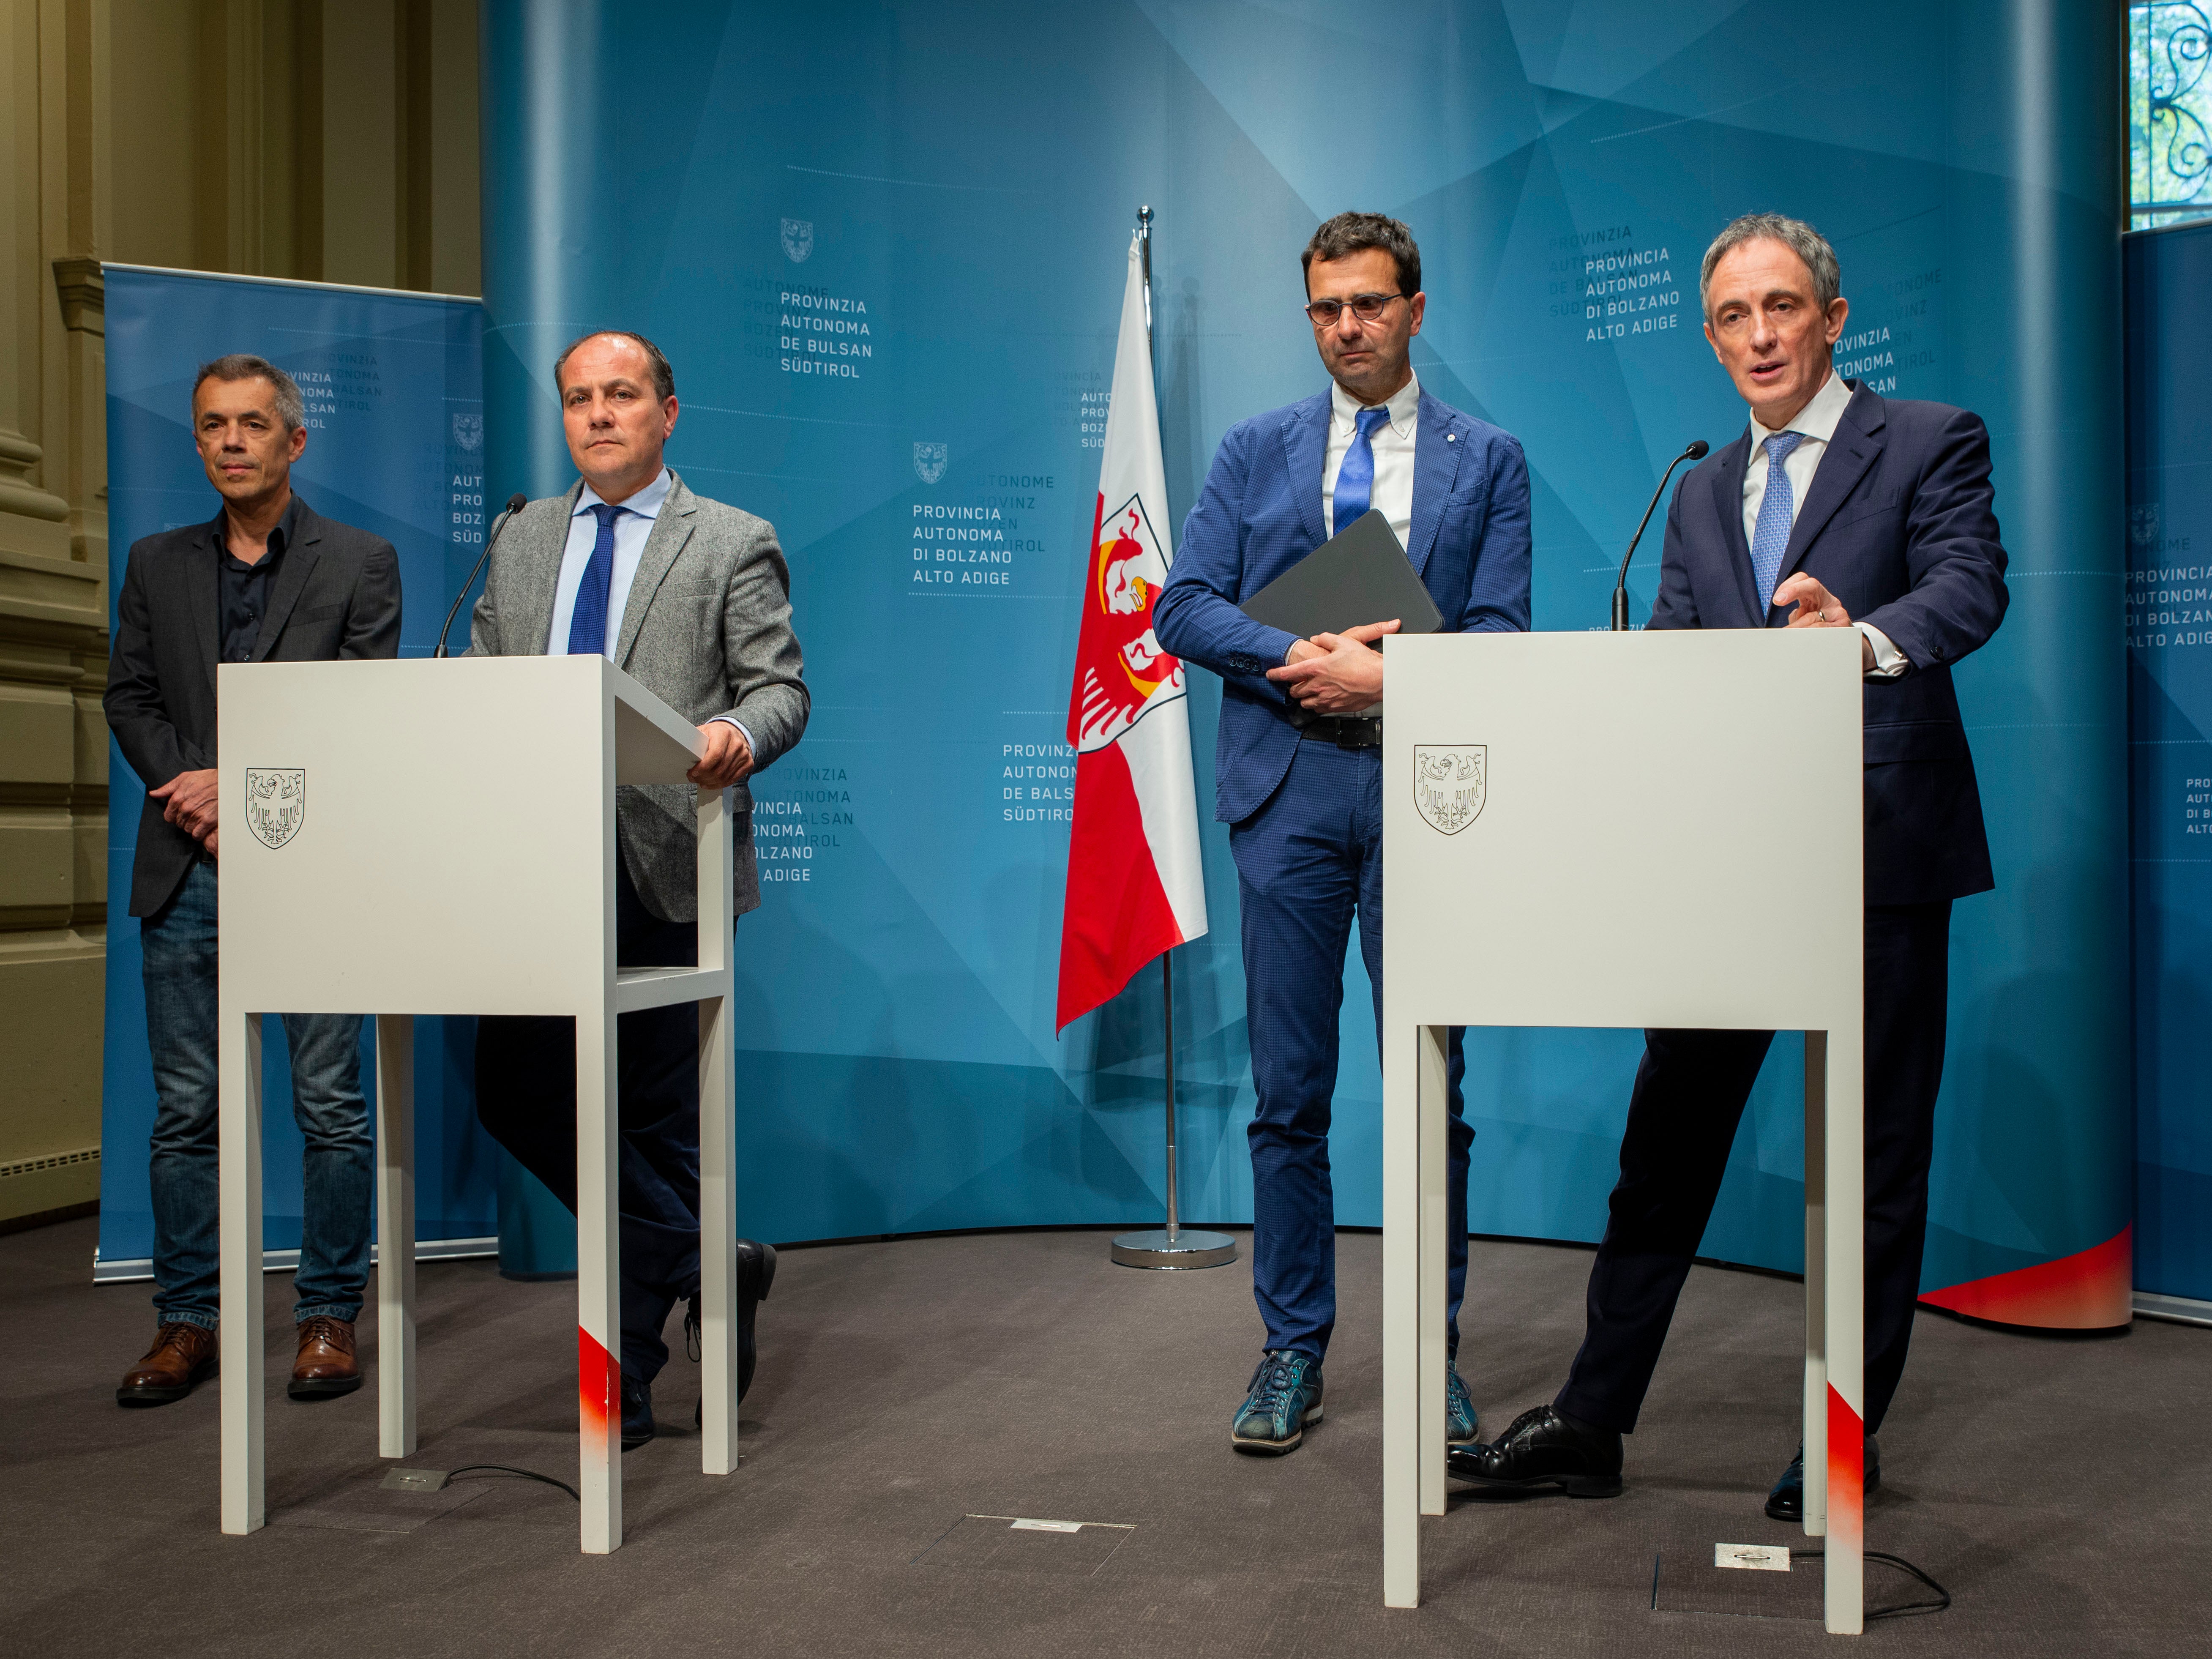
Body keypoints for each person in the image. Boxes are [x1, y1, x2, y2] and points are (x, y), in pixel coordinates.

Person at [1453, 213, 2009, 1513]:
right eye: (1731, 317)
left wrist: (1856, 639)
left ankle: (1841, 1438)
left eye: (1781, 306)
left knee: (1870, 1159)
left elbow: (1969, 586)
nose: (1759, 335)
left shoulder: (1928, 438)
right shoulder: (1700, 488)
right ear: (1710, 340)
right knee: (1665, 1146)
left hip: (1876, 848)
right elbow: (1677, 657)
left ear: (1832, 316)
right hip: (1726, 869)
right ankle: (1591, 1419)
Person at [1154, 213, 1532, 1454]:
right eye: (1326, 308)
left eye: (1369, 304)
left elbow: (1502, 634)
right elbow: (1182, 607)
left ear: (1415, 310)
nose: (1347, 327)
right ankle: (1291, 1348)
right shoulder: (1252, 449)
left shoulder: (1489, 459)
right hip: (1287, 790)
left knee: (1431, 1087)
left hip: (1429, 793)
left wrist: (1391, 678)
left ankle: (1431, 1355)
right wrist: (1297, 654)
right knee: (1289, 1092)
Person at [467, 330, 808, 1449]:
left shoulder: (732, 538)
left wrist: (733, 733)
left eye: (621, 394)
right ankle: (711, 1260)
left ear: (668, 411)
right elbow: (483, 682)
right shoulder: (521, 535)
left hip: (664, 860)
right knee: (517, 1093)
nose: (599, 414)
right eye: (579, 398)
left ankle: (628, 1376)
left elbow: (779, 692)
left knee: (652, 1123)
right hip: (533, 862)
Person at [105, 355, 402, 1407]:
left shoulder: (359, 561)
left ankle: (328, 1314)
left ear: (294, 440)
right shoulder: (154, 562)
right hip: (186, 864)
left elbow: (361, 710)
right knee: (187, 1110)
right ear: (197, 441)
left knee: (331, 1104)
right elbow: (131, 697)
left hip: (311, 863)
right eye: (212, 426)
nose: (231, 442)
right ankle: (187, 1320)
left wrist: (239, 787)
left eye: (252, 424)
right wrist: (197, 797)